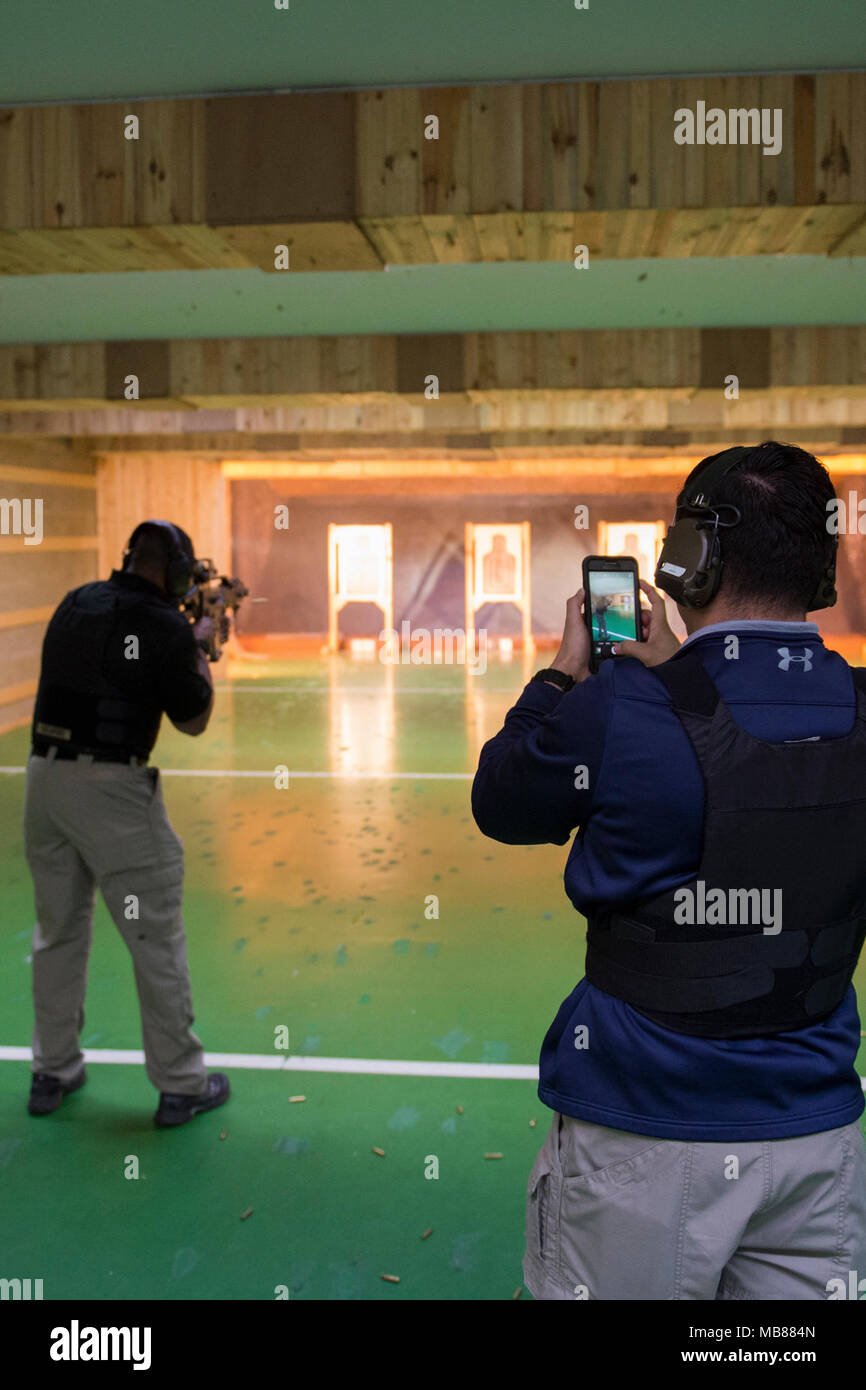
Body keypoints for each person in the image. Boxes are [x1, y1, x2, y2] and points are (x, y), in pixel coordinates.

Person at [472, 441, 866, 1300]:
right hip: (818, 1142)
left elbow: (501, 800)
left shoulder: (621, 708)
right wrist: (680, 678)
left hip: (642, 1138)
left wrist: (564, 669)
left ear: (691, 558)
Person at [23, 519, 231, 1128]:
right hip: (111, 790)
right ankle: (180, 1084)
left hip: (42, 780)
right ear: (172, 574)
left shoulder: (76, 601)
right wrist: (199, 643)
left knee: (57, 931)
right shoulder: (165, 627)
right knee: (154, 937)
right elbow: (193, 718)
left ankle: (51, 1070)